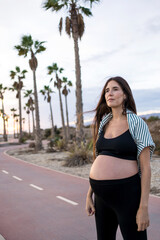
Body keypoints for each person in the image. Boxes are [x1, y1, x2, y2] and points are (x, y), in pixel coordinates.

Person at [85, 76, 155, 240]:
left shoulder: (137, 123)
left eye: (115, 89)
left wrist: (143, 207)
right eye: (107, 90)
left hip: (127, 195)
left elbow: (145, 168)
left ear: (125, 95)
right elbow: (99, 159)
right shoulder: (104, 123)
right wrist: (89, 194)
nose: (110, 93)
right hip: (101, 197)